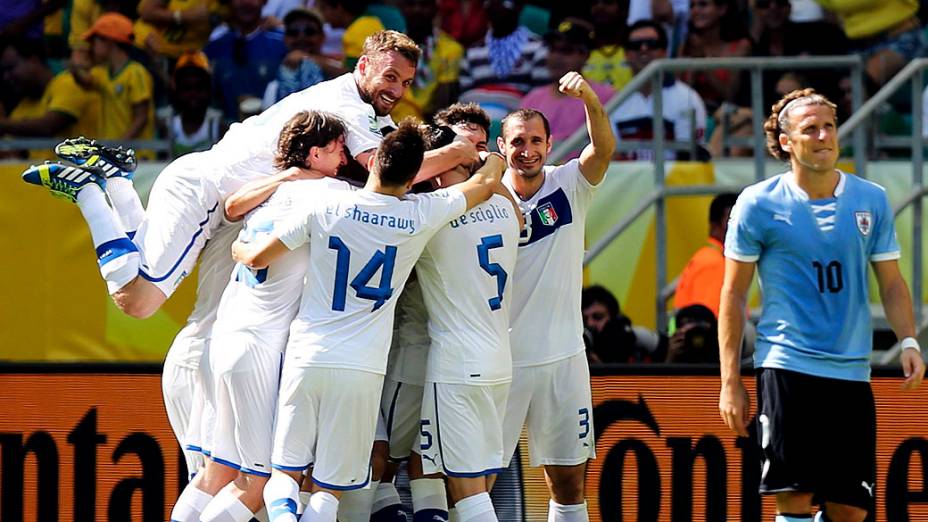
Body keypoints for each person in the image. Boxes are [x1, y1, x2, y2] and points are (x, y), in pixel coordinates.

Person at [20, 30, 474, 521]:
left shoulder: (301, 184)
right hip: (207, 196)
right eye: (389, 75)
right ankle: (96, 188)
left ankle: (117, 182)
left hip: (235, 232)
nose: (397, 89)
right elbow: (384, 176)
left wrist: (278, 189)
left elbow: (248, 218)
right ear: (361, 66)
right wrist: (466, 154)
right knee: (139, 301)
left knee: (228, 470)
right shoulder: (332, 165)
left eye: (406, 81)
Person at [230, 120, 508, 522]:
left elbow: (256, 256)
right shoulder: (420, 213)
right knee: (329, 491)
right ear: (414, 176)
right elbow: (482, 187)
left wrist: (239, 249)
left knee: (285, 474)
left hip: (308, 354)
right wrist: (493, 158)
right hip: (363, 368)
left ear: (375, 161)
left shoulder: (328, 205)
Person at [718, 88, 926, 522]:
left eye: (829, 126)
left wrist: (908, 339)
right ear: (787, 141)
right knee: (793, 500)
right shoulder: (758, 203)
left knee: (849, 512)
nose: (823, 136)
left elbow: (891, 283)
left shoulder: (871, 199)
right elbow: (734, 294)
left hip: (851, 371)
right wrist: (730, 380)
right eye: (809, 129)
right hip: (787, 365)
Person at [196, 110, 349, 522]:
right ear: (315, 153)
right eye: (338, 148)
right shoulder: (330, 193)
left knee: (218, 473)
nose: (346, 157)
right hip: (259, 348)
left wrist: (284, 177)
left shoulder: (269, 192)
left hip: (226, 337)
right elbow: (386, 190)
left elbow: (230, 207)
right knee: (259, 483)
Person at [497, 70, 615, 522]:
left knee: (567, 482)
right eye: (517, 142)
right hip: (499, 361)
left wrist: (587, 95)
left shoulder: (570, 183)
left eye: (534, 141)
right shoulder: (484, 197)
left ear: (549, 144)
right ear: (501, 148)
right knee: (478, 481)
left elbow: (603, 148)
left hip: (563, 359)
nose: (526, 150)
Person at [415, 125, 522, 522]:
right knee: (479, 481)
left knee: (465, 491)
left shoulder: (433, 212)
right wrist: (488, 162)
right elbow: (501, 196)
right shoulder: (505, 203)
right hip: (499, 362)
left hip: (457, 366)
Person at [609, 19, 707, 161]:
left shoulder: (687, 98)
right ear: (626, 54)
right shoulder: (615, 103)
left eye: (652, 44)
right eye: (635, 46)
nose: (644, 49)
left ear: (664, 51)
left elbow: (689, 157)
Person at [520, 18, 615, 159]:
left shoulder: (605, 96)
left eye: (566, 51)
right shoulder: (531, 99)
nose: (557, 57)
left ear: (586, 55)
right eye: (553, 49)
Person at [457, 0, 548, 120]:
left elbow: (541, 96)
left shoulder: (538, 48)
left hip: (522, 121)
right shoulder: (472, 52)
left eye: (504, 2)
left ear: (519, 7)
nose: (497, 8)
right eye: (491, 3)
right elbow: (465, 96)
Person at [0, 38, 101, 144]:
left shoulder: (68, 82)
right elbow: (11, 151)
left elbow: (47, 127)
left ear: (33, 60)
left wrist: (3, 125)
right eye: (4, 72)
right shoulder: (22, 108)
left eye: (11, 68)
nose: (7, 77)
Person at [71, 12, 155, 140]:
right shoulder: (103, 72)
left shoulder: (136, 72)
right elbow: (86, 82)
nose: (92, 47)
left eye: (95, 41)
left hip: (136, 156)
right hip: (114, 155)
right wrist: (75, 67)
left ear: (108, 40)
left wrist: (119, 147)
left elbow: (141, 118)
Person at [205, 0, 287, 121]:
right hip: (227, 133)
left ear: (264, 1)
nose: (245, 3)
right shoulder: (216, 47)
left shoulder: (283, 43)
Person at [390, 0, 464, 122]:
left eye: (424, 5)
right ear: (402, 9)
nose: (417, 10)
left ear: (435, 10)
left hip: (427, 125)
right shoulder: (390, 48)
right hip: (391, 123)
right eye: (411, 4)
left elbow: (444, 103)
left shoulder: (450, 49)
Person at [261, 8, 346, 109]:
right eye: (293, 32)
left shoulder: (336, 69)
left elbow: (352, 76)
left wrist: (307, 58)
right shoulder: (275, 82)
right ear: (285, 38)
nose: (301, 37)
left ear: (322, 36)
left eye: (309, 32)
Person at [678, 0, 751, 114]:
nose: (696, 10)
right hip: (693, 114)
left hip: (726, 117)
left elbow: (729, 94)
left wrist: (703, 60)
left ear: (722, 9)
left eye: (703, 4)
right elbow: (682, 93)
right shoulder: (687, 45)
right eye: (692, 6)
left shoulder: (740, 46)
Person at [674, 192, 738, 317]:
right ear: (714, 227)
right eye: (732, 221)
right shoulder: (714, 264)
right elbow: (710, 323)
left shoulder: (708, 257)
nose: (740, 227)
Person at [162, 51, 226, 157]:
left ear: (208, 90)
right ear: (177, 91)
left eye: (199, 87)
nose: (193, 94)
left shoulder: (219, 128)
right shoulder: (167, 127)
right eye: (187, 88)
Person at [582, 0, 634, 92]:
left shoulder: (636, 47)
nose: (600, 7)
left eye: (607, 2)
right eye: (594, 3)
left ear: (622, 9)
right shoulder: (579, 50)